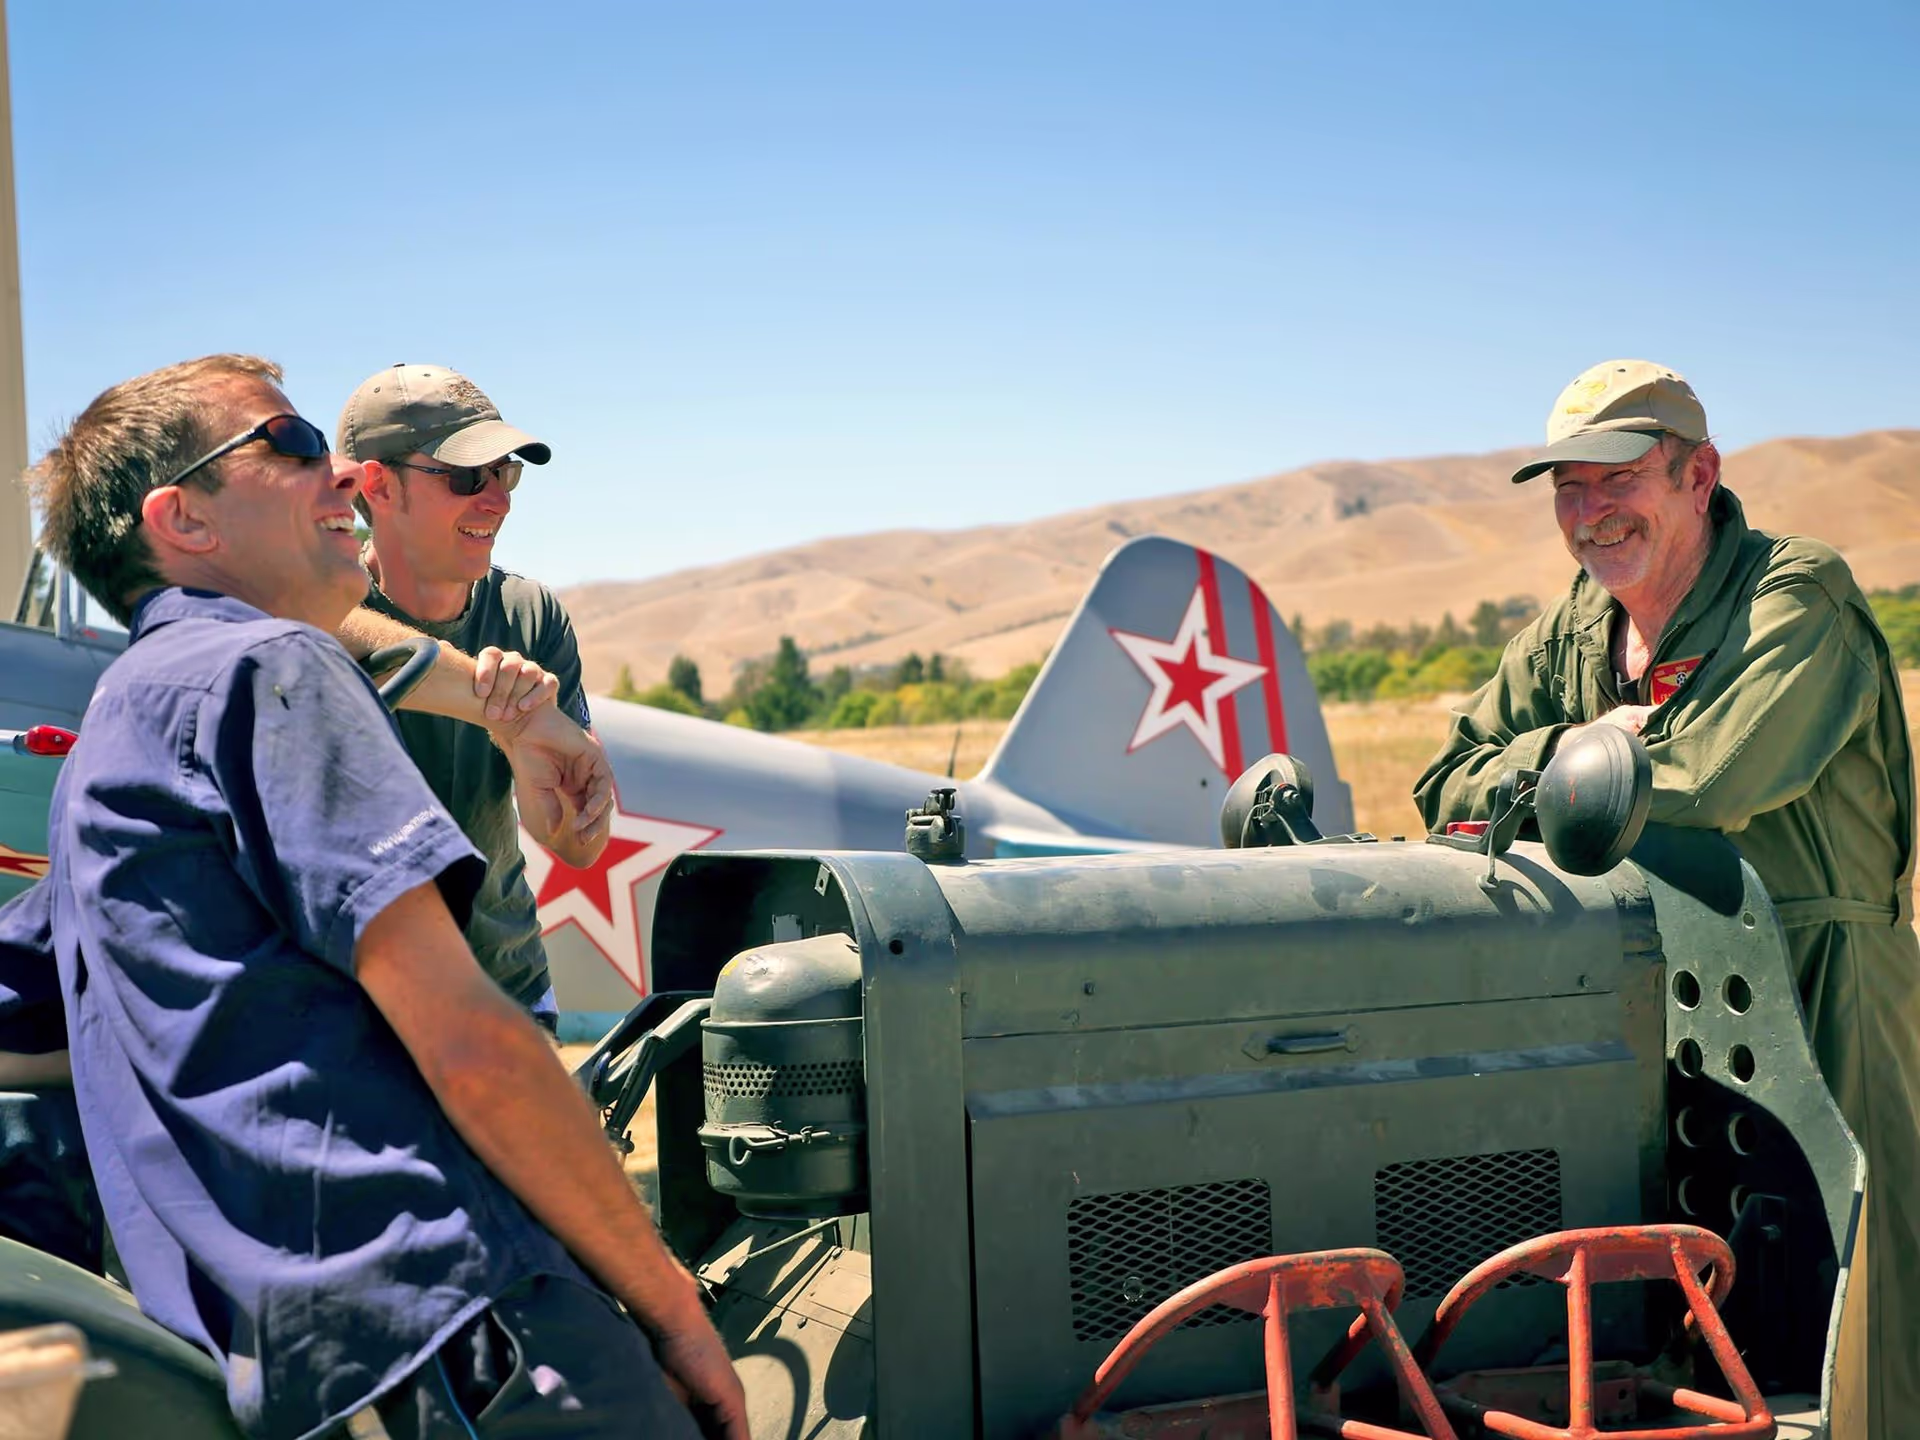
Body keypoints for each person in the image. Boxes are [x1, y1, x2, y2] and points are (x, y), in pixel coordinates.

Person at [0, 354, 746, 1440]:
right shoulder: (270, 667)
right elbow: (474, 1047)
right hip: (466, 1326)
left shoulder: (120, 726)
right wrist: (669, 1308)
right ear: (184, 520)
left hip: (305, 1371)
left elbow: (45, 1018)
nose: (338, 480)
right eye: (293, 448)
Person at [1414, 358, 1920, 1433]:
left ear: (1699, 476)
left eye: (1617, 479)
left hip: (1822, 995)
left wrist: (1575, 773)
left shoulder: (1795, 595)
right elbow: (1441, 784)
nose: (1590, 513)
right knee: (1689, 1339)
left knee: (1859, 1329)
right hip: (1652, 1004)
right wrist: (1585, 745)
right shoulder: (1570, 635)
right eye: (1566, 488)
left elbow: (1712, 782)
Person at [336, 363, 608, 1030]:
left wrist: (550, 778)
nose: (498, 500)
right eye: (465, 478)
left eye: (504, 472)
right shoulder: (312, 616)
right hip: (358, 1011)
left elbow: (575, 845)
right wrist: (503, 709)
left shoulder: (531, 614)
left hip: (507, 993)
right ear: (378, 485)